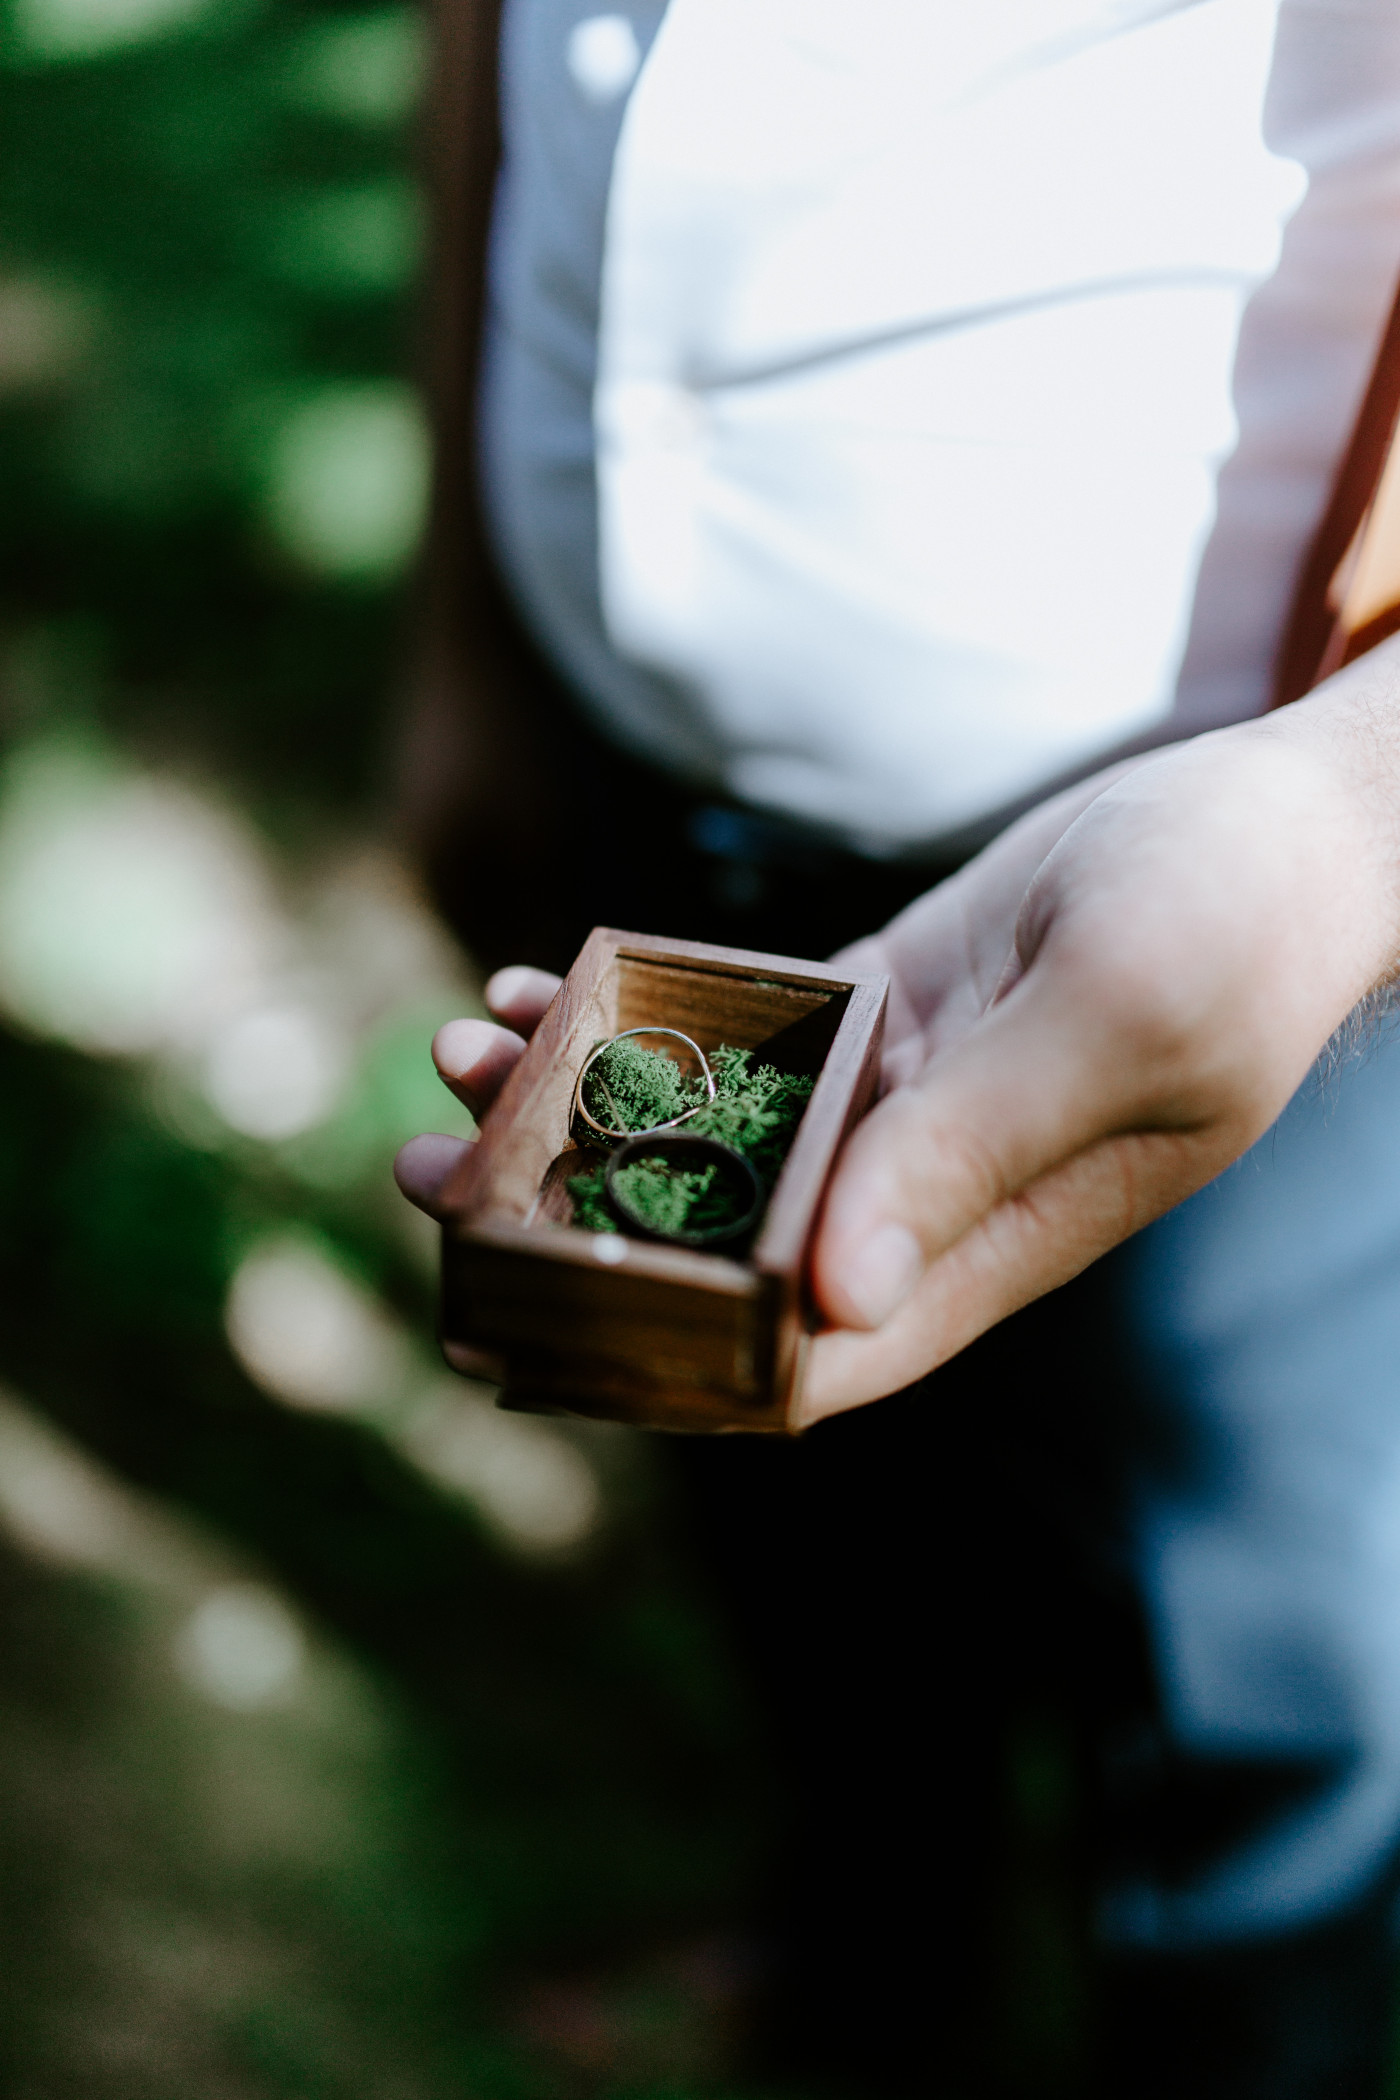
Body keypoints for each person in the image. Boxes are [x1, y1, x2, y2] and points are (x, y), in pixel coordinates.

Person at [395, 4, 1400, 2092]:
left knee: (1274, 1706)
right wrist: (471, 626)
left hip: (1272, 872)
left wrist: (1358, 809)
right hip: (635, 788)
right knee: (806, 1548)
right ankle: (861, 1979)